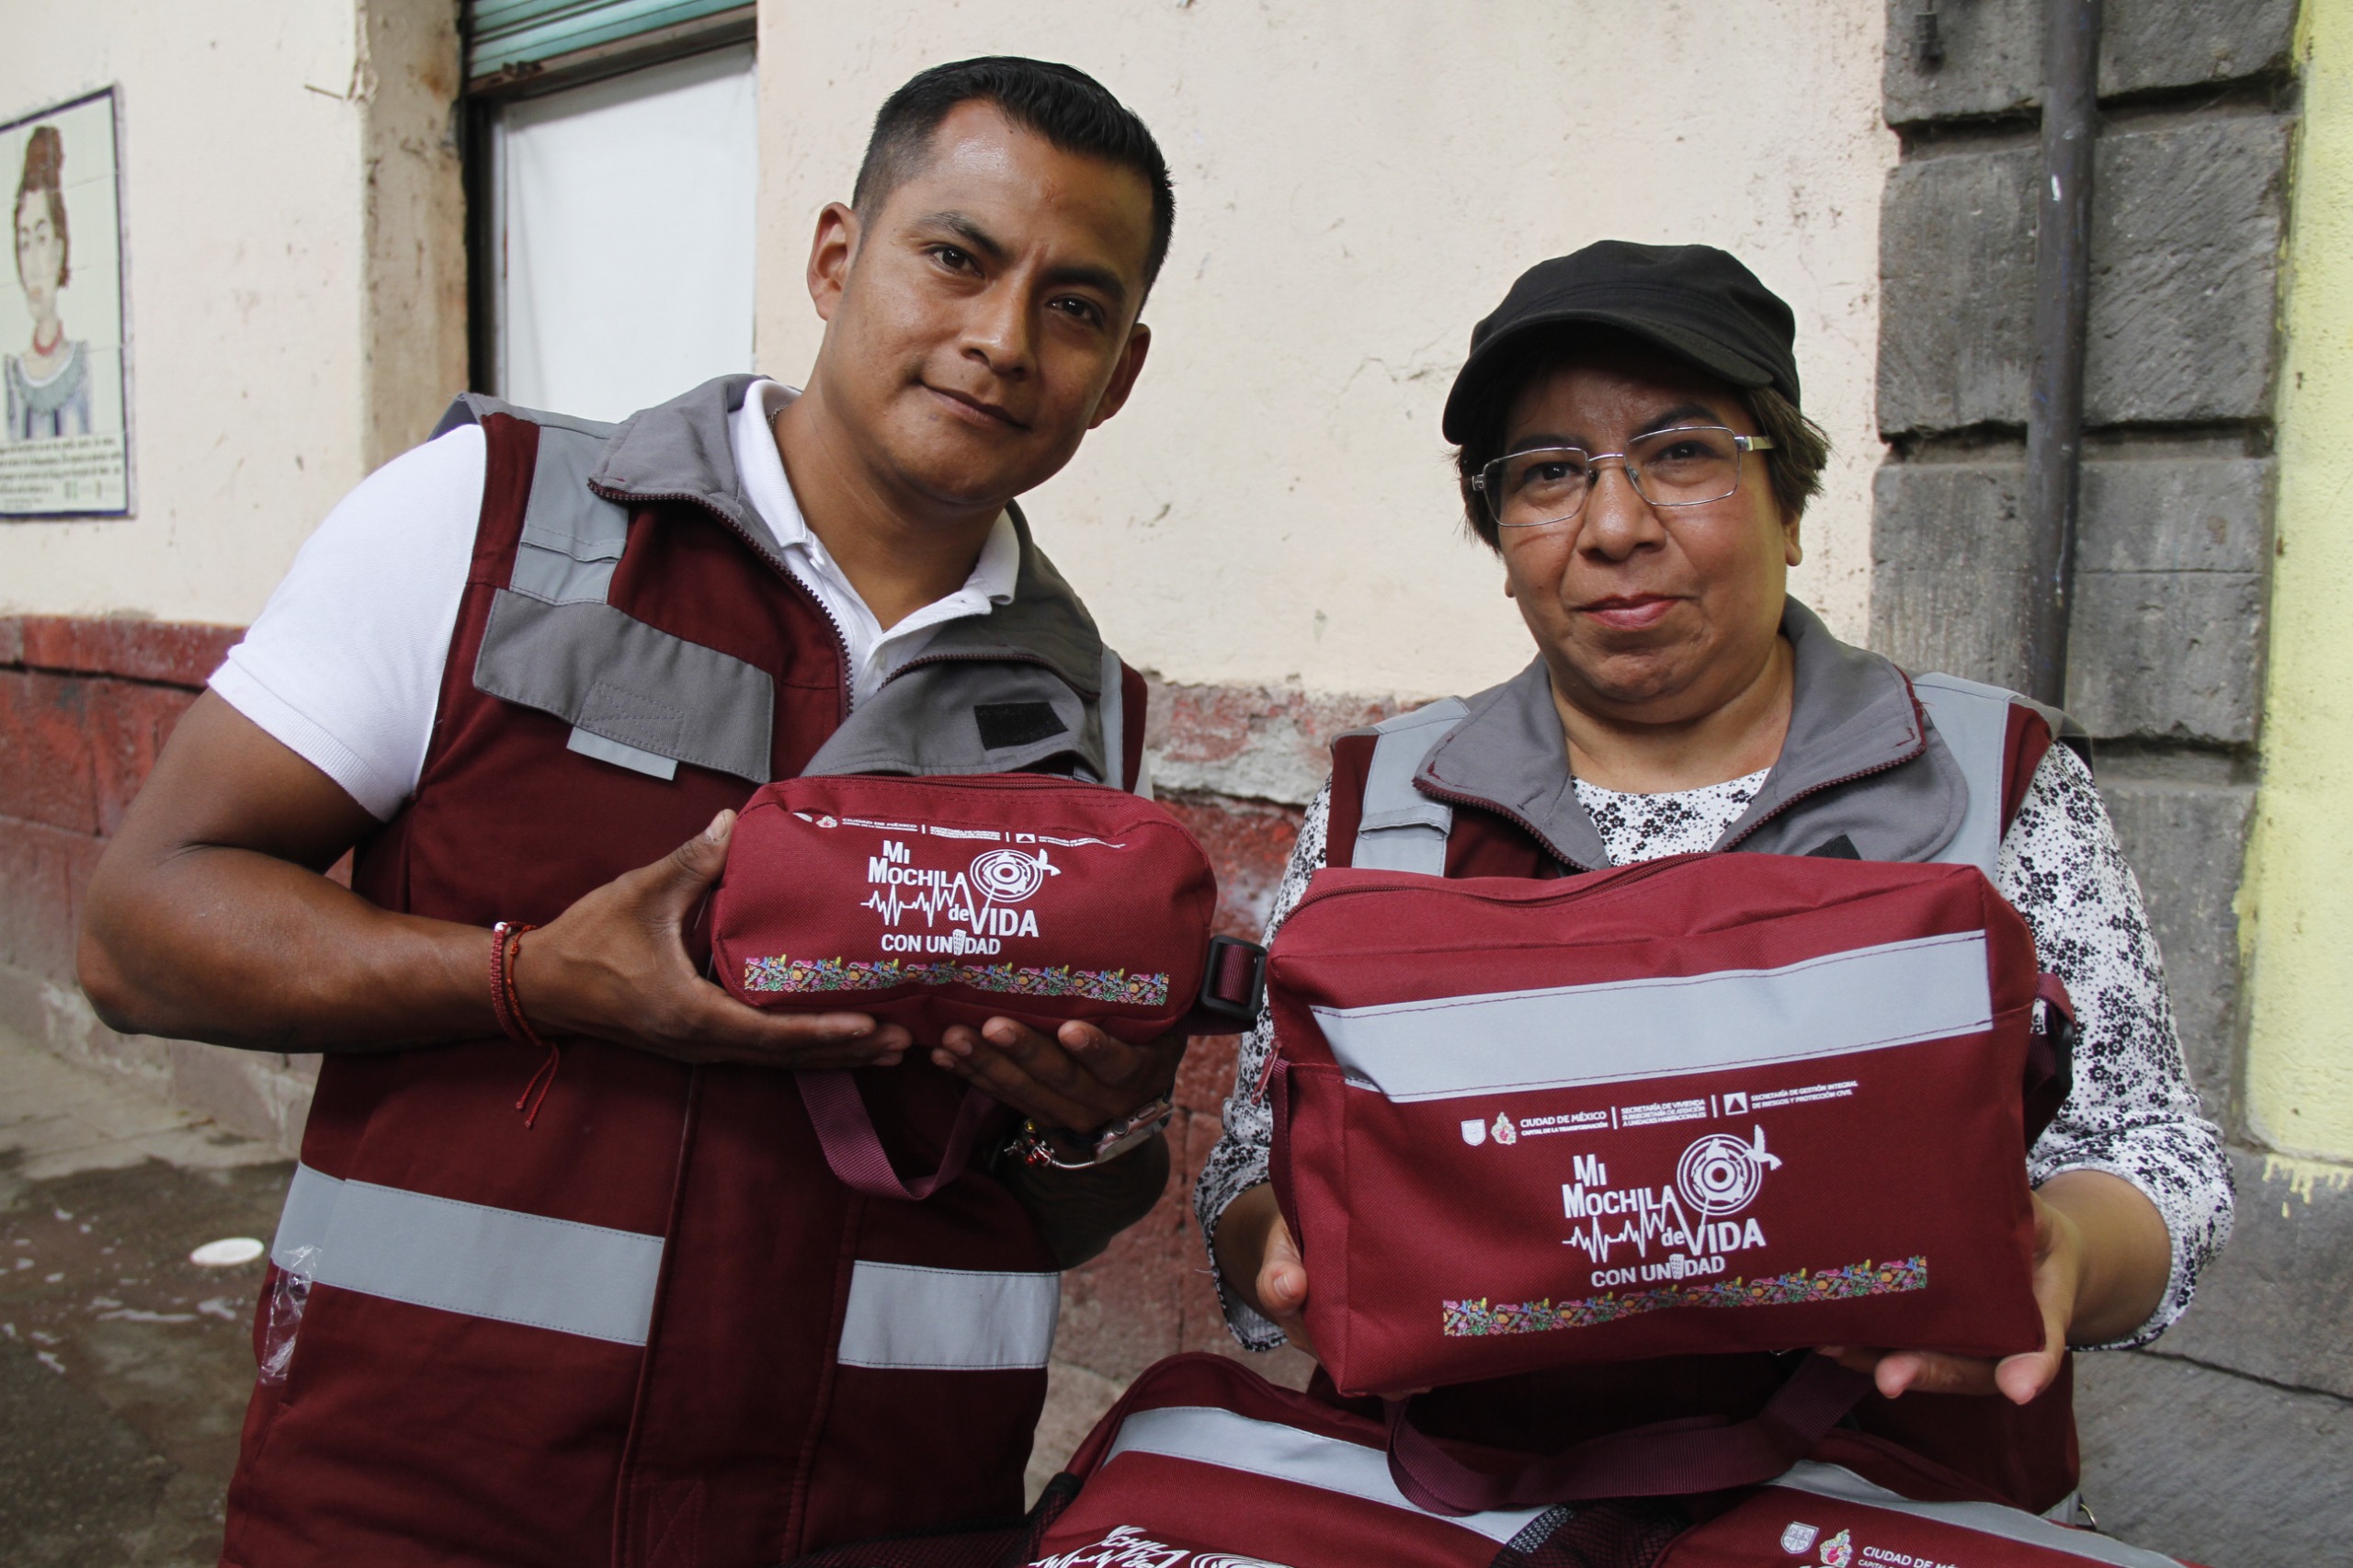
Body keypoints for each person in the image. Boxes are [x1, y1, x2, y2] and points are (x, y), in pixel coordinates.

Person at [80, 57, 1187, 1568]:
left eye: (1075, 305)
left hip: (886, 1522)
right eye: (957, 257)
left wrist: (1096, 1125)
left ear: (1120, 371)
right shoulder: (490, 519)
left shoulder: (1093, 723)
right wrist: (528, 979)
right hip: (432, 1505)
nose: (1001, 338)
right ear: (833, 257)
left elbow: (1042, 1216)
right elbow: (140, 931)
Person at [1194, 242, 2232, 1515]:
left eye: (1682, 455)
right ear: (1503, 532)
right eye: (1551, 474)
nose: (1615, 526)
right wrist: (1278, 1249)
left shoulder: (1986, 777)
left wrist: (2068, 1253)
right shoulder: (1389, 805)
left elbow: (2151, 1151)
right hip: (1468, 1514)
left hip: (1886, 1511)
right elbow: (1254, 1159)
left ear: (1789, 503)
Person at [9, 124, 93, 441]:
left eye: (41, 239)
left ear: (59, 249)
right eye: (24, 243)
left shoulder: (86, 366)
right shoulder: (11, 377)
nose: (31, 265)